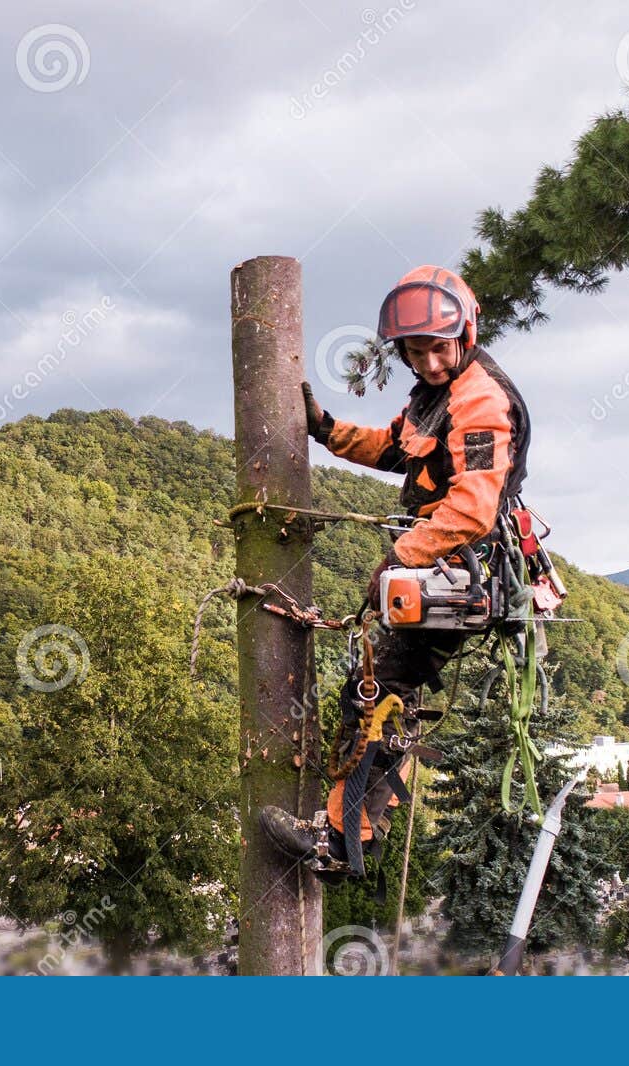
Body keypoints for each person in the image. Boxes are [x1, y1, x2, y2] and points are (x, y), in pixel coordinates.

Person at [259, 265, 532, 879]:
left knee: (374, 692)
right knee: (383, 691)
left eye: (439, 347)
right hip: (442, 570)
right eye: (417, 351)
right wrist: (328, 432)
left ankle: (340, 839)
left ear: (464, 333)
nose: (431, 362)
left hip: (460, 572)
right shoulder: (434, 396)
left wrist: (402, 555)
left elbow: (473, 508)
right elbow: (393, 446)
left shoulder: (482, 400)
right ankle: (354, 828)